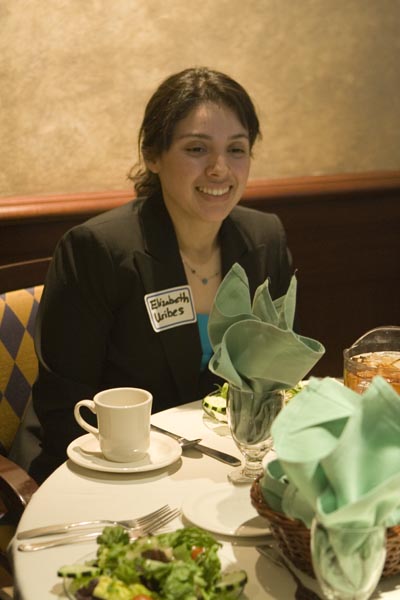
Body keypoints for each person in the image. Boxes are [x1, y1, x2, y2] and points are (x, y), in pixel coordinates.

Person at [10, 66, 293, 483]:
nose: (220, 168)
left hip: (219, 465)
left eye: (237, 148)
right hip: (105, 467)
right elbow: (64, 406)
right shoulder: (98, 249)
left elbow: (280, 373)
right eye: (196, 149)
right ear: (152, 155)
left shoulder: (264, 237)